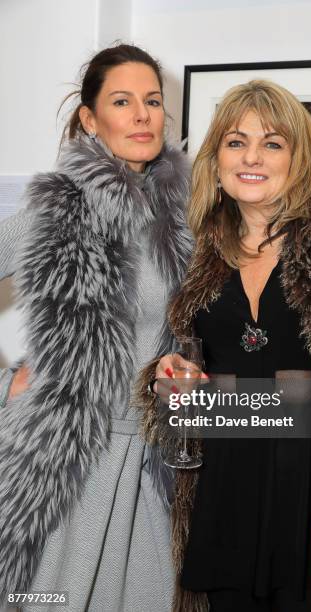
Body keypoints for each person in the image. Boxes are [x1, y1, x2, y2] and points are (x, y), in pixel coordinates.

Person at [138, 80, 311, 611]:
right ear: (215, 159)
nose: (252, 157)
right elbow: (180, 368)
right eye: (236, 142)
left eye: (273, 143)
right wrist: (168, 378)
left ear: (299, 157)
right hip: (221, 490)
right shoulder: (192, 253)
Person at [0, 43, 192, 611]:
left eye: (152, 101)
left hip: (151, 454)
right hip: (67, 456)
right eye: (123, 101)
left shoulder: (185, 212)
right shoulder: (58, 205)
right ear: (90, 118)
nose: (141, 115)